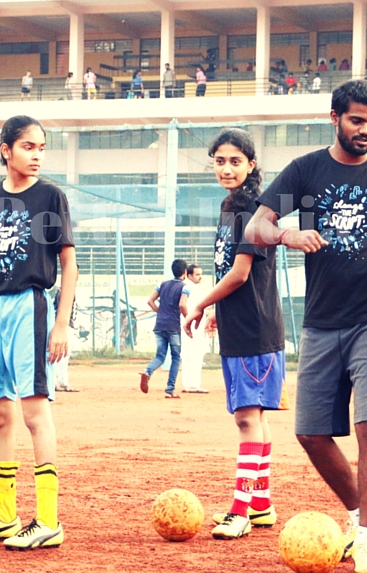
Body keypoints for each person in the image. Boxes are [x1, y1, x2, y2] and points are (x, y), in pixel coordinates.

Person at [246, 79, 367, 573]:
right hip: (321, 322)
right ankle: (363, 516)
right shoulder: (305, 170)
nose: (366, 130)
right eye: (357, 121)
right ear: (334, 118)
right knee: (311, 433)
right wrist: (288, 232)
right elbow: (255, 228)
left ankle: (365, 540)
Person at [0, 115, 77, 551]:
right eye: (28, 147)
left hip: (29, 306)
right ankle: (5, 515)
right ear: (5, 149)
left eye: (42, 147)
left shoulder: (49, 197)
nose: (37, 155)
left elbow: (69, 265)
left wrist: (61, 322)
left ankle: (47, 520)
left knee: (33, 413)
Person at [181, 129, 287, 540]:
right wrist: (220, 313)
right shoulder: (232, 209)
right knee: (252, 416)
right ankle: (260, 504)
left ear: (251, 165)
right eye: (220, 161)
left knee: (247, 417)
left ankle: (241, 510)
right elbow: (235, 274)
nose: (227, 169)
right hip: (242, 326)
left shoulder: (252, 213)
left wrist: (202, 303)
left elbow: (240, 275)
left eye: (235, 161)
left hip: (256, 330)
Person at [140, 259, 191, 398]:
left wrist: (159, 311)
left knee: (160, 356)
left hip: (159, 325)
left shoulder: (162, 284)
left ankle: (148, 371)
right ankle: (170, 389)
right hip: (173, 326)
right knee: (175, 358)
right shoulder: (185, 287)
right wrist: (188, 318)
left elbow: (150, 301)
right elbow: (182, 305)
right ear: (185, 272)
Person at [179, 264, 208, 394]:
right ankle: (192, 385)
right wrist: (188, 320)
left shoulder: (194, 288)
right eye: (197, 274)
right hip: (192, 326)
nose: (200, 277)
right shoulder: (188, 287)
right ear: (189, 275)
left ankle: (190, 384)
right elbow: (182, 304)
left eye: (200, 274)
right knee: (193, 354)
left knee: (192, 354)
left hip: (195, 325)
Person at [52, 282, 79, 393]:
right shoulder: (64, 291)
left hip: (64, 325)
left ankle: (55, 383)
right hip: (64, 326)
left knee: (59, 355)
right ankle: (63, 384)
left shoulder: (63, 291)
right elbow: (60, 310)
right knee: (63, 355)